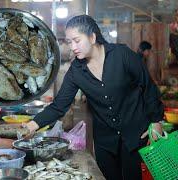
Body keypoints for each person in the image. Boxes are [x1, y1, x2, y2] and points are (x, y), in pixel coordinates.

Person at [25, 15, 164, 180]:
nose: (73, 47)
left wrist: (156, 121)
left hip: (134, 134)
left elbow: (147, 86)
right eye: (69, 42)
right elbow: (59, 105)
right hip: (105, 142)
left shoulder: (122, 55)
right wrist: (33, 124)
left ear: (92, 37)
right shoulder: (76, 71)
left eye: (77, 40)